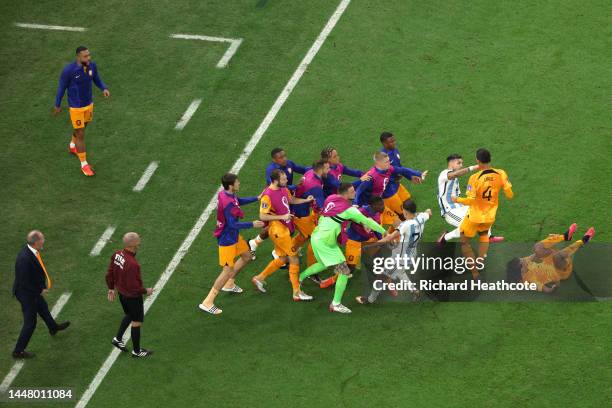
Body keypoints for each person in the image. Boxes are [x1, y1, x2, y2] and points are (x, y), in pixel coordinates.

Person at [298, 183, 387, 314]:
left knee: (323, 264)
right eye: (352, 191)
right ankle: (336, 304)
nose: (355, 193)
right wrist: (384, 232)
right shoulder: (349, 210)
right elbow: (368, 221)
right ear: (345, 194)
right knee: (345, 272)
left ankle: (299, 278)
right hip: (325, 243)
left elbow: (339, 214)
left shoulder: (331, 198)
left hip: (317, 237)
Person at [198, 174, 264, 315]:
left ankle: (229, 284)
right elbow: (233, 224)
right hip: (227, 239)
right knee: (227, 270)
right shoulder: (227, 202)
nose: (239, 183)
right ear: (231, 185)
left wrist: (256, 198)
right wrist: (252, 224)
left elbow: (237, 201)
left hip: (233, 236)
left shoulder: (226, 194)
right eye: (237, 182)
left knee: (247, 256)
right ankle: (207, 301)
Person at [251, 169, 314, 301]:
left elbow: (290, 200)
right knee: (294, 258)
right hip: (278, 231)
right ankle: (297, 292)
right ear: (275, 181)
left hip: (284, 229)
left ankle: (259, 278)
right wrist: (282, 216)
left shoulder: (284, 189)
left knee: (283, 258)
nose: (286, 180)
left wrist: (305, 200)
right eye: (284, 179)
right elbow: (262, 215)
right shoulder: (267, 195)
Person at [451, 148, 514, 277]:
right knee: (484, 234)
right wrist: (506, 188)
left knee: (464, 242)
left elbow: (470, 201)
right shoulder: (501, 173)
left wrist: (456, 199)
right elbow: (510, 195)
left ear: (477, 161)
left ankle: (474, 272)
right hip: (489, 216)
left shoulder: (474, 178)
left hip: (474, 217)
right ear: (490, 158)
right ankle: (480, 262)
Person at [356, 200, 431, 305]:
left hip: (399, 259)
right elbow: (429, 212)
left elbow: (389, 238)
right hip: (412, 254)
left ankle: (369, 300)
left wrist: (371, 246)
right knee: (401, 272)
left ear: (405, 211)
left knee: (381, 277)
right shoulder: (422, 218)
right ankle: (415, 291)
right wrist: (422, 213)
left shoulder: (405, 225)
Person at [12, 231, 70, 359]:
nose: (44, 240)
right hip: (26, 294)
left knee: (43, 307)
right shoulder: (24, 259)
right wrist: (39, 290)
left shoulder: (31, 252)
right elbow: (23, 282)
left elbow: (34, 274)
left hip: (32, 291)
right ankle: (18, 351)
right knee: (30, 323)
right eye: (42, 239)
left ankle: (53, 327)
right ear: (36, 242)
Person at [54, 46, 110, 176]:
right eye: (85, 56)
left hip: (89, 104)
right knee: (81, 134)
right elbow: (61, 87)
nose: (88, 58)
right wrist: (57, 104)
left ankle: (72, 146)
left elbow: (96, 78)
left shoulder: (92, 66)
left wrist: (103, 88)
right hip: (76, 108)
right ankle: (84, 165)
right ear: (78, 57)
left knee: (83, 127)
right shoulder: (69, 71)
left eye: (89, 55)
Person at [249, 147, 309, 257]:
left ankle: (255, 243)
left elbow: (303, 169)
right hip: (275, 200)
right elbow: (276, 185)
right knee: (278, 224)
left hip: (286, 196)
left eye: (284, 155)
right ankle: (279, 251)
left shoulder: (289, 164)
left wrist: (316, 168)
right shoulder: (271, 171)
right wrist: (295, 186)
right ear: (274, 159)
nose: (284, 159)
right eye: (280, 157)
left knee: (285, 223)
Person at [436, 153, 504, 244]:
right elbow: (454, 175)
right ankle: (444, 238)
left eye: (462, 163)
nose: (461, 165)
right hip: (450, 211)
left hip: (460, 207)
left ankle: (489, 237)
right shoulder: (444, 174)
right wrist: (473, 167)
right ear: (451, 163)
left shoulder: (454, 178)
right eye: (459, 163)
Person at [506, 224, 595, 292]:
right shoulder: (529, 282)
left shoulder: (525, 264)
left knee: (537, 247)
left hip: (550, 260)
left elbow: (534, 255)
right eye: (521, 261)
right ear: (521, 269)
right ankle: (584, 240)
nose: (523, 259)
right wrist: (552, 288)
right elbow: (544, 288)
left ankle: (565, 236)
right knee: (557, 257)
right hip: (561, 270)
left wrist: (545, 245)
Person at [106, 232, 153, 358]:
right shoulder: (133, 264)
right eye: (138, 240)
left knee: (129, 314)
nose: (140, 241)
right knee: (136, 321)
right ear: (133, 244)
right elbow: (135, 287)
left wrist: (111, 287)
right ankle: (137, 351)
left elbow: (109, 273)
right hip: (132, 297)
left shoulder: (117, 254)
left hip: (122, 294)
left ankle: (118, 338)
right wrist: (146, 291)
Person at [355, 151, 424, 226]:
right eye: (386, 162)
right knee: (375, 229)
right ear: (378, 164)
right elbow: (359, 190)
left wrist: (418, 174)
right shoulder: (371, 176)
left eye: (388, 161)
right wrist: (355, 204)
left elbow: (402, 170)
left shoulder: (388, 169)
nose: (389, 163)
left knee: (398, 222)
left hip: (379, 204)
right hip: (370, 208)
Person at [379, 132, 428, 220]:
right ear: (384, 143)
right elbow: (399, 170)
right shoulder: (383, 158)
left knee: (408, 202)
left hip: (396, 184)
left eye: (394, 140)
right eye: (391, 141)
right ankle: (405, 229)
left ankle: (412, 220)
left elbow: (399, 167)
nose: (394, 143)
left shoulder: (395, 150)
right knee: (401, 215)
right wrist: (418, 173)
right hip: (389, 191)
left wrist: (410, 177)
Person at [291, 159, 330, 268]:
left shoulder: (310, 173)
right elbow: (323, 208)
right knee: (316, 238)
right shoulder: (315, 187)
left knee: (305, 235)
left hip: (300, 209)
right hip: (300, 213)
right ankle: (311, 268)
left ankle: (291, 248)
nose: (329, 170)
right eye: (327, 168)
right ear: (321, 169)